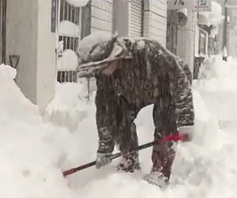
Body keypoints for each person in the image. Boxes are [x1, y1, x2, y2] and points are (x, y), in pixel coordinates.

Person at [76, 32, 195, 188]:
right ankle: (129, 160)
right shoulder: (105, 75)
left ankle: (160, 171)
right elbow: (105, 108)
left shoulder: (147, 52)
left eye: (102, 67)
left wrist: (186, 121)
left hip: (167, 84)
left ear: (114, 56)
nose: (101, 73)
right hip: (136, 89)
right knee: (119, 112)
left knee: (164, 115)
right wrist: (105, 147)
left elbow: (180, 82)